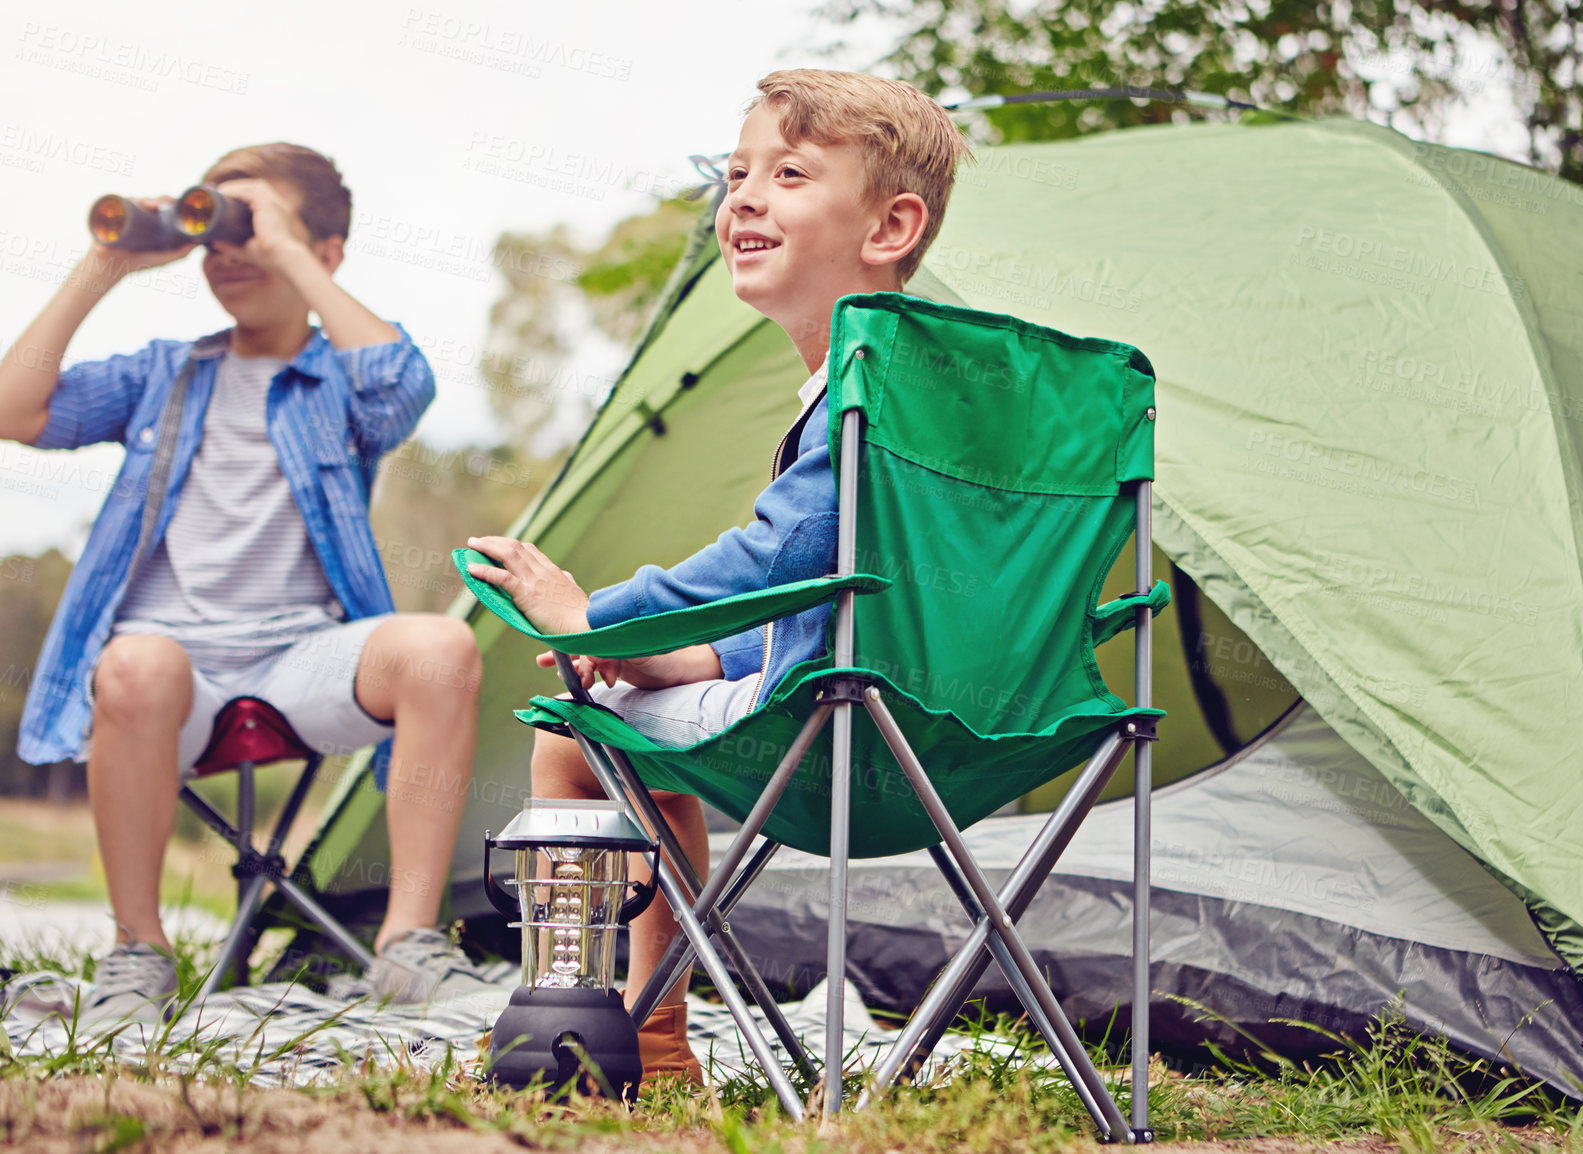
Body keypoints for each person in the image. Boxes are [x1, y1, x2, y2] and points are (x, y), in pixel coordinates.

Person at [465, 69, 970, 1086]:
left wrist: (596, 614)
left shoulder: (861, 390)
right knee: (641, 694)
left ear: (890, 225)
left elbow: (779, 554)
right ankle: (652, 1027)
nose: (741, 195)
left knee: (569, 732)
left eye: (787, 173)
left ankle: (608, 1016)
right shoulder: (957, 385)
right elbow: (834, 596)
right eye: (736, 172)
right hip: (970, 734)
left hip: (842, 733)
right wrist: (663, 654)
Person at [0, 143, 487, 1020]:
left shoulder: (336, 383)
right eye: (216, 227)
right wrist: (104, 263)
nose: (229, 250)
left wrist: (285, 253)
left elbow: (400, 384)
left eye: (252, 226)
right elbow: (13, 409)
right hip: (165, 681)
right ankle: (137, 953)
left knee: (440, 646)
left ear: (327, 251)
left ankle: (408, 946)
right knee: (138, 662)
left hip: (299, 662)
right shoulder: (162, 372)